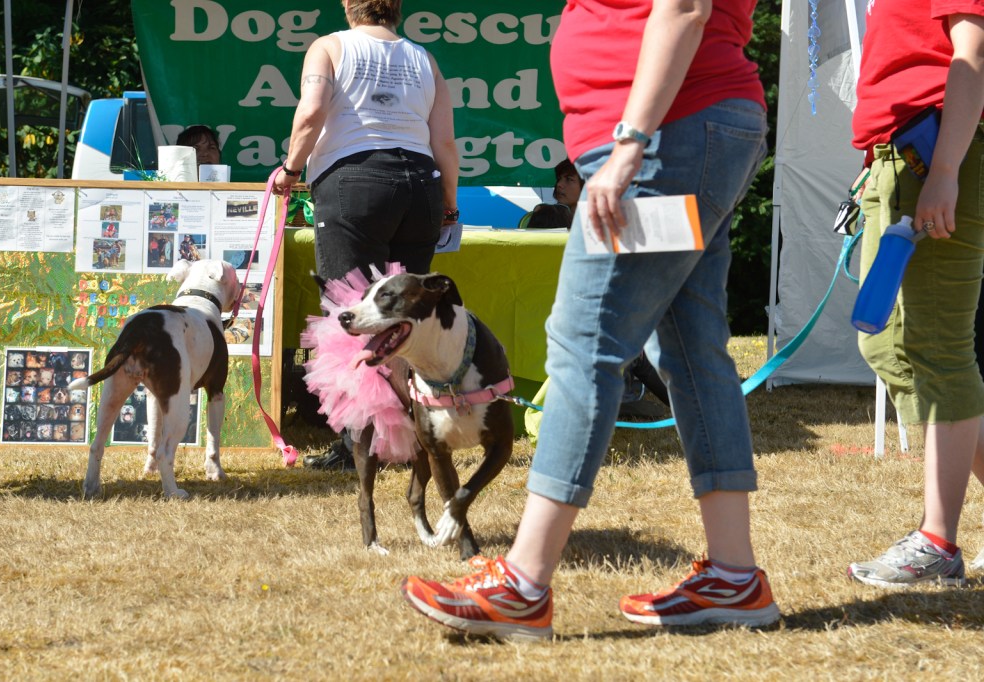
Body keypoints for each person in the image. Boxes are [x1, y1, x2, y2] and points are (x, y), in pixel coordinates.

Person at [401, 0, 778, 640]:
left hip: (664, 133)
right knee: (690, 349)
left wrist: (631, 143)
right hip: (684, 127)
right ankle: (734, 577)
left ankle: (523, 583)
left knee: (584, 345)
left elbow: (684, 9)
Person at [273, 0, 458, 471]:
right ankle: (413, 437)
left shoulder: (329, 47)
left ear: (347, 5)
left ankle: (356, 444)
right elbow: (445, 143)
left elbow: (311, 113)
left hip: (355, 180)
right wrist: (450, 204)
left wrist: (291, 170)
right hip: (422, 184)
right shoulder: (425, 59)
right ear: (396, 9)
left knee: (351, 312)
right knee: (407, 319)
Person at [845, 2, 984, 587]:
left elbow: (971, 56)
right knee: (885, 347)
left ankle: (937, 542)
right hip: (895, 158)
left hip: (933, 156)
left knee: (936, 348)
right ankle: (938, 536)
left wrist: (946, 170)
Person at [518, 158, 584, 229]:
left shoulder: (594, 222)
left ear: (586, 185)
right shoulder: (544, 215)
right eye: (558, 179)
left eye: (569, 179)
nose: (559, 184)